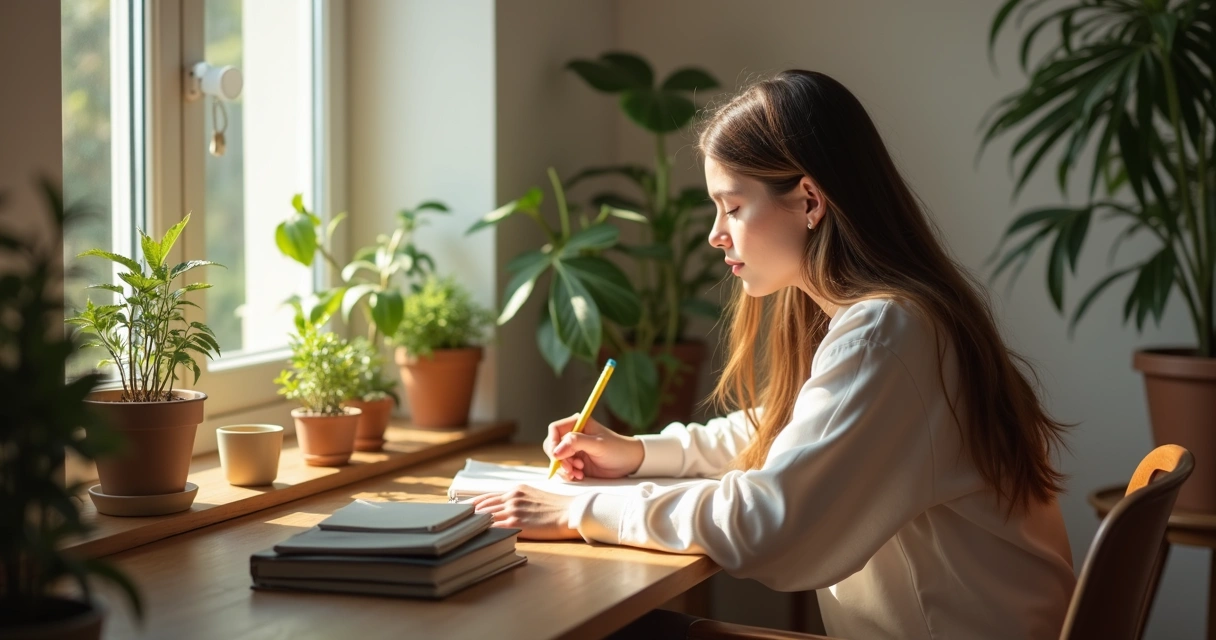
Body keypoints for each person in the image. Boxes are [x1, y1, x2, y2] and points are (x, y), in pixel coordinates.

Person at [470, 70, 1076, 639]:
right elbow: (787, 430)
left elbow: (769, 523)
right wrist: (636, 455)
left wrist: (583, 509)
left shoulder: (888, 332)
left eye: (732, 207)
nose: (716, 233)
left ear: (810, 201)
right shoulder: (893, 318)